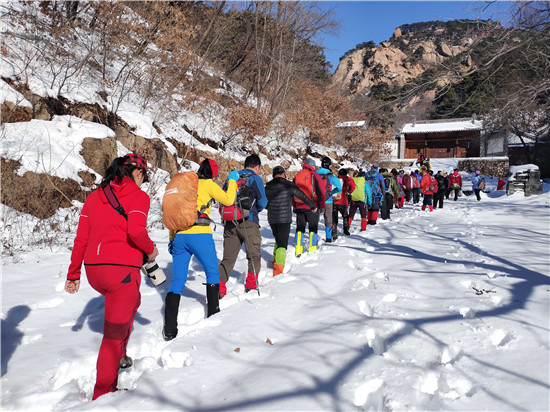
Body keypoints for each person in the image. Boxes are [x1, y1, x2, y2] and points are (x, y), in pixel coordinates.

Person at [66, 153, 159, 400]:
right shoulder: (138, 196)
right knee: (112, 336)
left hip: (94, 270)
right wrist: (151, 250)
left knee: (133, 302)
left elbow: (81, 240)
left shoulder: (94, 197)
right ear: (137, 172)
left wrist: (73, 273)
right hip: (120, 272)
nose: (144, 181)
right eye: (144, 176)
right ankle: (103, 394)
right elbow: (136, 231)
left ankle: (121, 355)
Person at [163, 159, 239, 341]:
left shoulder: (188, 185)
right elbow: (229, 200)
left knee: (178, 281)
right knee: (212, 272)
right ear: (212, 172)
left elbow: (177, 213)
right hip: (200, 235)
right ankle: (213, 314)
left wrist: (172, 238)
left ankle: (169, 329)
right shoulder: (207, 184)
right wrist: (233, 180)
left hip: (180, 236)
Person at [218, 154, 267, 295]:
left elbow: (223, 197)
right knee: (254, 256)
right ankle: (251, 286)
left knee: (227, 258)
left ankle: (219, 288)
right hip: (249, 222)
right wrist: (253, 210)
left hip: (230, 222)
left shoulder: (231, 178)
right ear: (256, 167)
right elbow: (263, 201)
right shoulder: (255, 178)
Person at [265, 166, 317, 276]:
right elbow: (301, 195)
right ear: (283, 174)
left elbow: (264, 202)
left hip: (272, 218)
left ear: (273, 174)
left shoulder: (268, 186)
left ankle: (275, 261)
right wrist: (312, 206)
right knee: (282, 244)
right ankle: (278, 270)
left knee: (278, 239)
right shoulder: (287, 184)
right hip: (284, 219)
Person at [293, 158, 326, 256]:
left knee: (300, 228)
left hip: (299, 206)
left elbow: (292, 191)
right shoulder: (315, 176)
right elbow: (321, 192)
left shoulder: (297, 175)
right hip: (313, 206)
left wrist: (294, 205)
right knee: (313, 228)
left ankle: (298, 249)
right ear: (313, 166)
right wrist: (322, 205)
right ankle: (312, 249)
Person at [316, 156, 342, 243]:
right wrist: (331, 192)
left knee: (315, 219)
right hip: (328, 200)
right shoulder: (331, 175)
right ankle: (328, 237)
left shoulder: (315, 173)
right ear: (329, 165)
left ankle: (313, 238)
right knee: (328, 219)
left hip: (317, 199)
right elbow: (339, 187)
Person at [332, 168, 356, 239]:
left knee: (334, 217)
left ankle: (334, 232)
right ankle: (346, 229)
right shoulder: (348, 180)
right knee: (345, 216)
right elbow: (353, 187)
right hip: (343, 201)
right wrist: (349, 192)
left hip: (334, 200)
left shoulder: (335, 179)